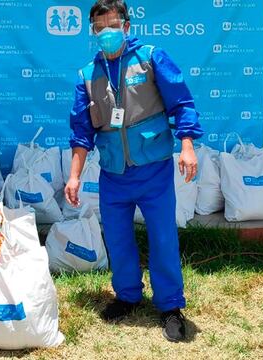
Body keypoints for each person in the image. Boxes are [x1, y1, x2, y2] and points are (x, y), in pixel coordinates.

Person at [65, 0, 203, 342]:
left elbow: (182, 103)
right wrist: (74, 174)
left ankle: (170, 305)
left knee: (162, 238)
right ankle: (127, 296)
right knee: (117, 238)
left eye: (113, 24)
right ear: (92, 32)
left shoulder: (152, 57)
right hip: (113, 174)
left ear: (127, 26)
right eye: (100, 27)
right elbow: (81, 132)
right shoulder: (87, 76)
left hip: (154, 170)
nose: (107, 32)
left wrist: (187, 145)